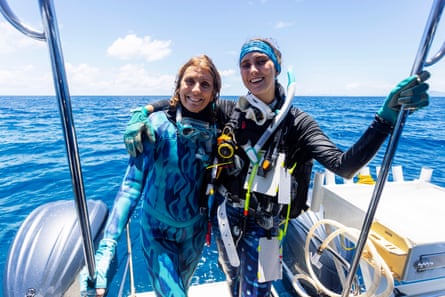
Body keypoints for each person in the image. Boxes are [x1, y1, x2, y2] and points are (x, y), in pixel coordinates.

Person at [124, 37, 430, 297]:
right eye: (246, 64)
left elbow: (344, 166)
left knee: (258, 289)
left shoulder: (298, 123)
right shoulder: (230, 112)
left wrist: (384, 120)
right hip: (226, 220)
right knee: (232, 278)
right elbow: (189, 98)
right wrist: (145, 110)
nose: (253, 70)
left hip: (270, 230)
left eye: (261, 62)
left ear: (277, 68)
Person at [79, 54, 232, 297]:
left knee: (183, 286)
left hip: (194, 232)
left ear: (214, 92)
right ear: (178, 85)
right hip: (157, 231)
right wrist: (108, 245)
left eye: (205, 84)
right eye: (189, 81)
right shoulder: (156, 126)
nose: (196, 90)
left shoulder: (219, 129)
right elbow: (130, 186)